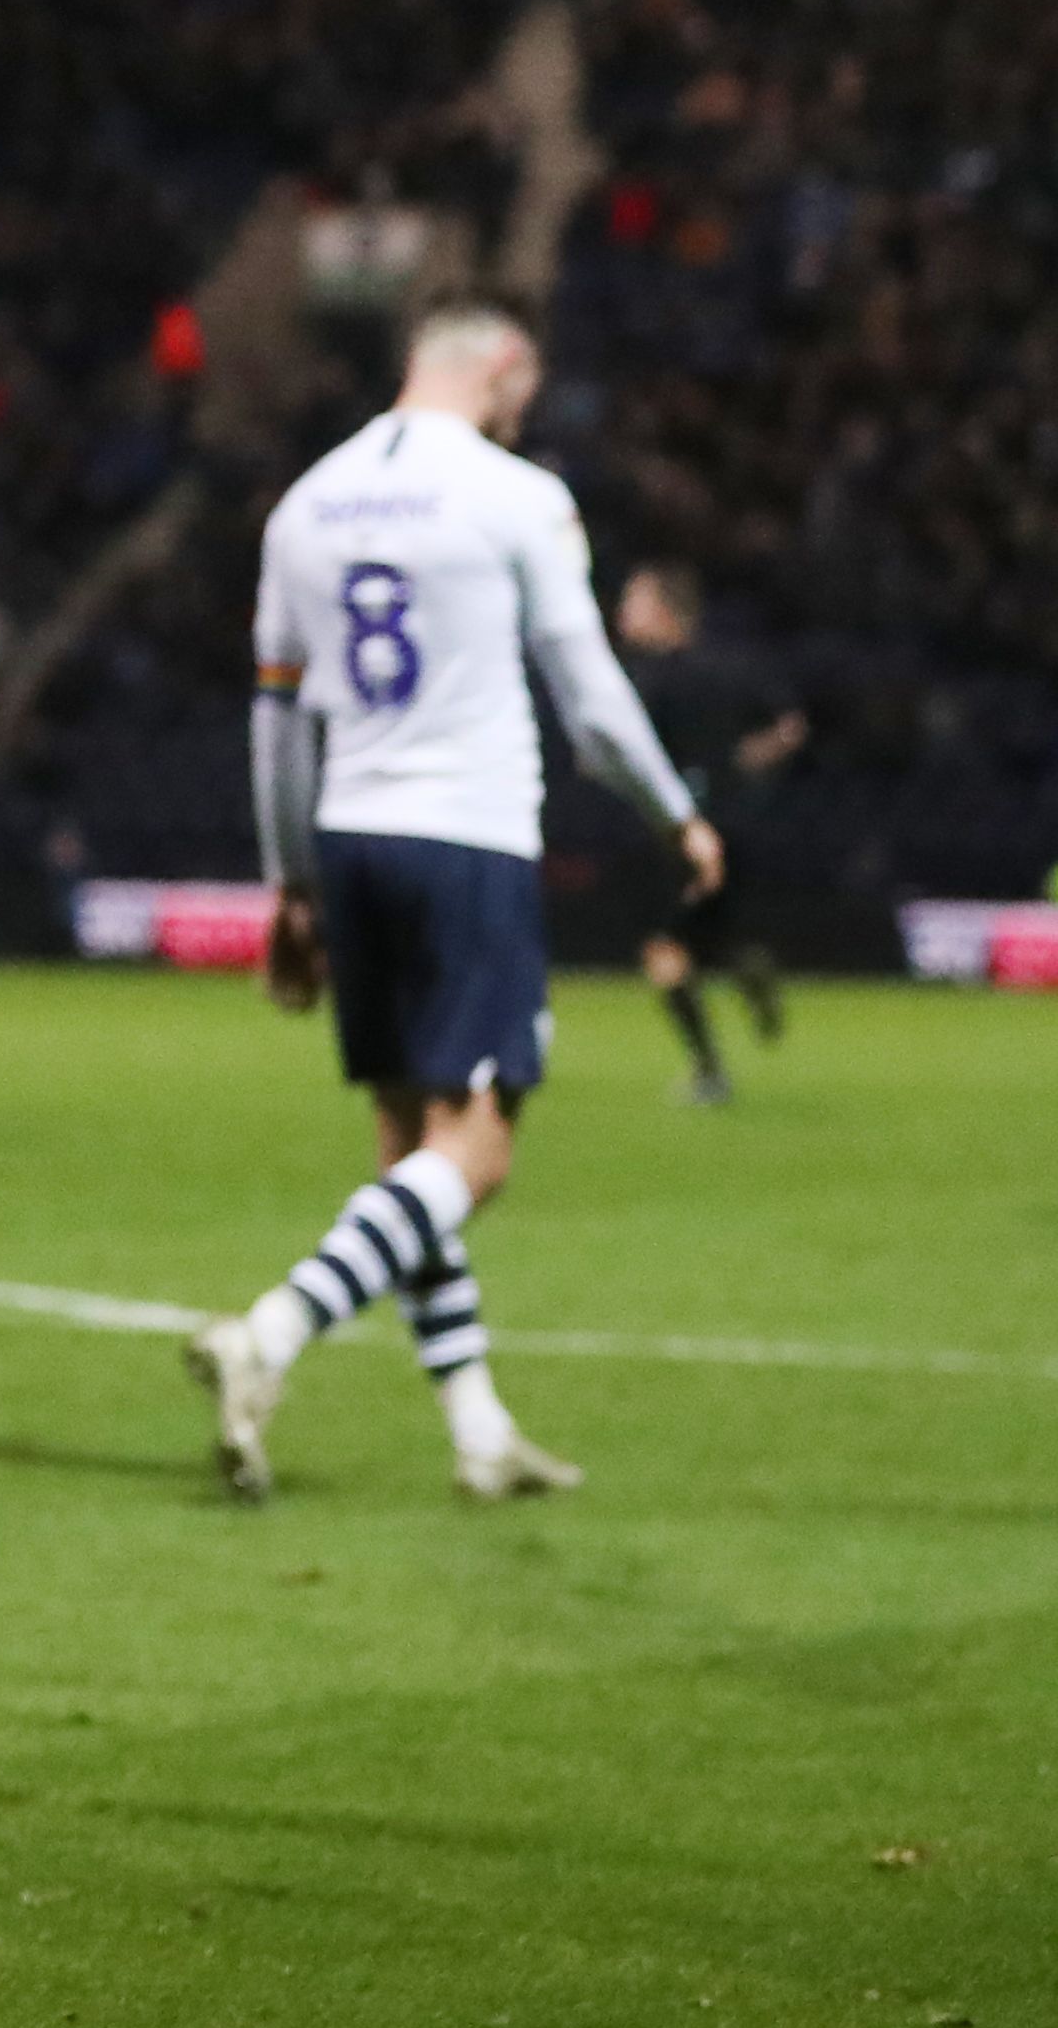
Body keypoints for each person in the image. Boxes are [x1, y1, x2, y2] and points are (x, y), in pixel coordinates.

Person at [188, 301, 717, 1504]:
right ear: (502, 369)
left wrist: (290, 885)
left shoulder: (304, 503)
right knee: (472, 1154)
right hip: (464, 837)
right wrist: (675, 812)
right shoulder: (513, 495)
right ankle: (267, 1335)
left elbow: (276, 716)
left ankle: (478, 1433)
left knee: (405, 1151)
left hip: (350, 833)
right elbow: (585, 700)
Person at [612, 562, 800, 1106]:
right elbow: (789, 727)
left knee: (665, 951)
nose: (624, 612)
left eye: (635, 601)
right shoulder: (734, 665)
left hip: (684, 832)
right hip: (737, 821)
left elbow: (626, 754)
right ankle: (747, 963)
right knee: (710, 936)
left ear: (665, 612)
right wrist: (745, 765)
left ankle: (710, 1071)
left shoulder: (648, 681)